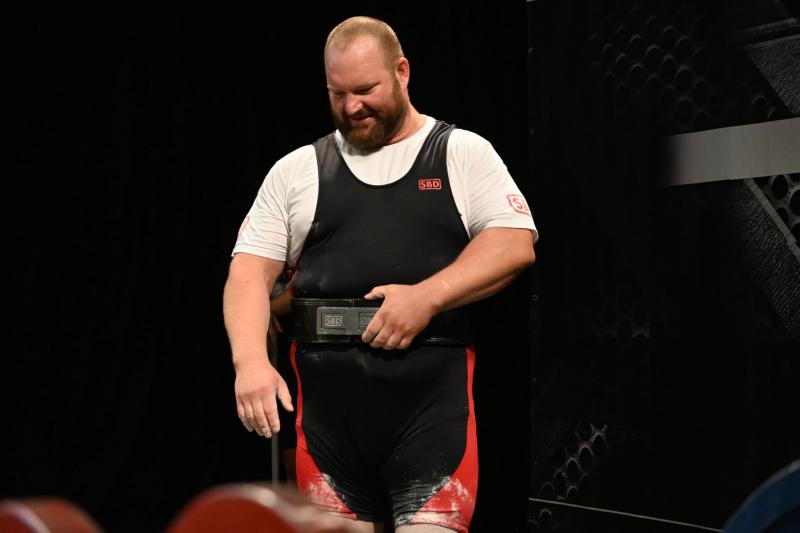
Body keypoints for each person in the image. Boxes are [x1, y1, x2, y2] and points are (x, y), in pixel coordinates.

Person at [223, 16, 538, 533]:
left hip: (431, 422)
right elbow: (247, 274)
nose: (352, 106)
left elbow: (514, 242)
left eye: (366, 89)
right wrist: (250, 362)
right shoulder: (297, 171)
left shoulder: (461, 153)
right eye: (338, 94)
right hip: (327, 435)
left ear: (402, 72)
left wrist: (427, 297)